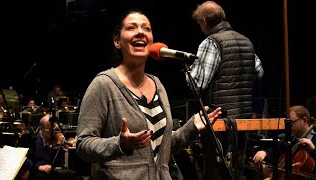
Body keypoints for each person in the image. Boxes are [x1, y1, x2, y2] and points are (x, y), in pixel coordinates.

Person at [75, 9, 222, 179]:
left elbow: (162, 147)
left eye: (146, 29)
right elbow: (83, 144)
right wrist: (120, 144)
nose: (140, 32)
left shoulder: (157, 84)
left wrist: (191, 128)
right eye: (132, 28)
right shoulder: (104, 84)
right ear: (117, 41)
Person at [186, 1, 264, 179]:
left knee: (216, 172)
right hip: (243, 120)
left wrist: (188, 72)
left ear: (204, 21)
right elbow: (259, 72)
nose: (200, 28)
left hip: (219, 120)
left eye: (199, 24)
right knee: (237, 170)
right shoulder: (246, 41)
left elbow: (197, 83)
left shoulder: (210, 42)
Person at [34, 114, 66, 179]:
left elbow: (61, 160)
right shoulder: (34, 140)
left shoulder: (57, 138)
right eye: (49, 129)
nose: (53, 132)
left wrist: (60, 144)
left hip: (56, 172)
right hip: (39, 172)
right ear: (41, 129)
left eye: (54, 128)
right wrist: (38, 167)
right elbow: (27, 159)